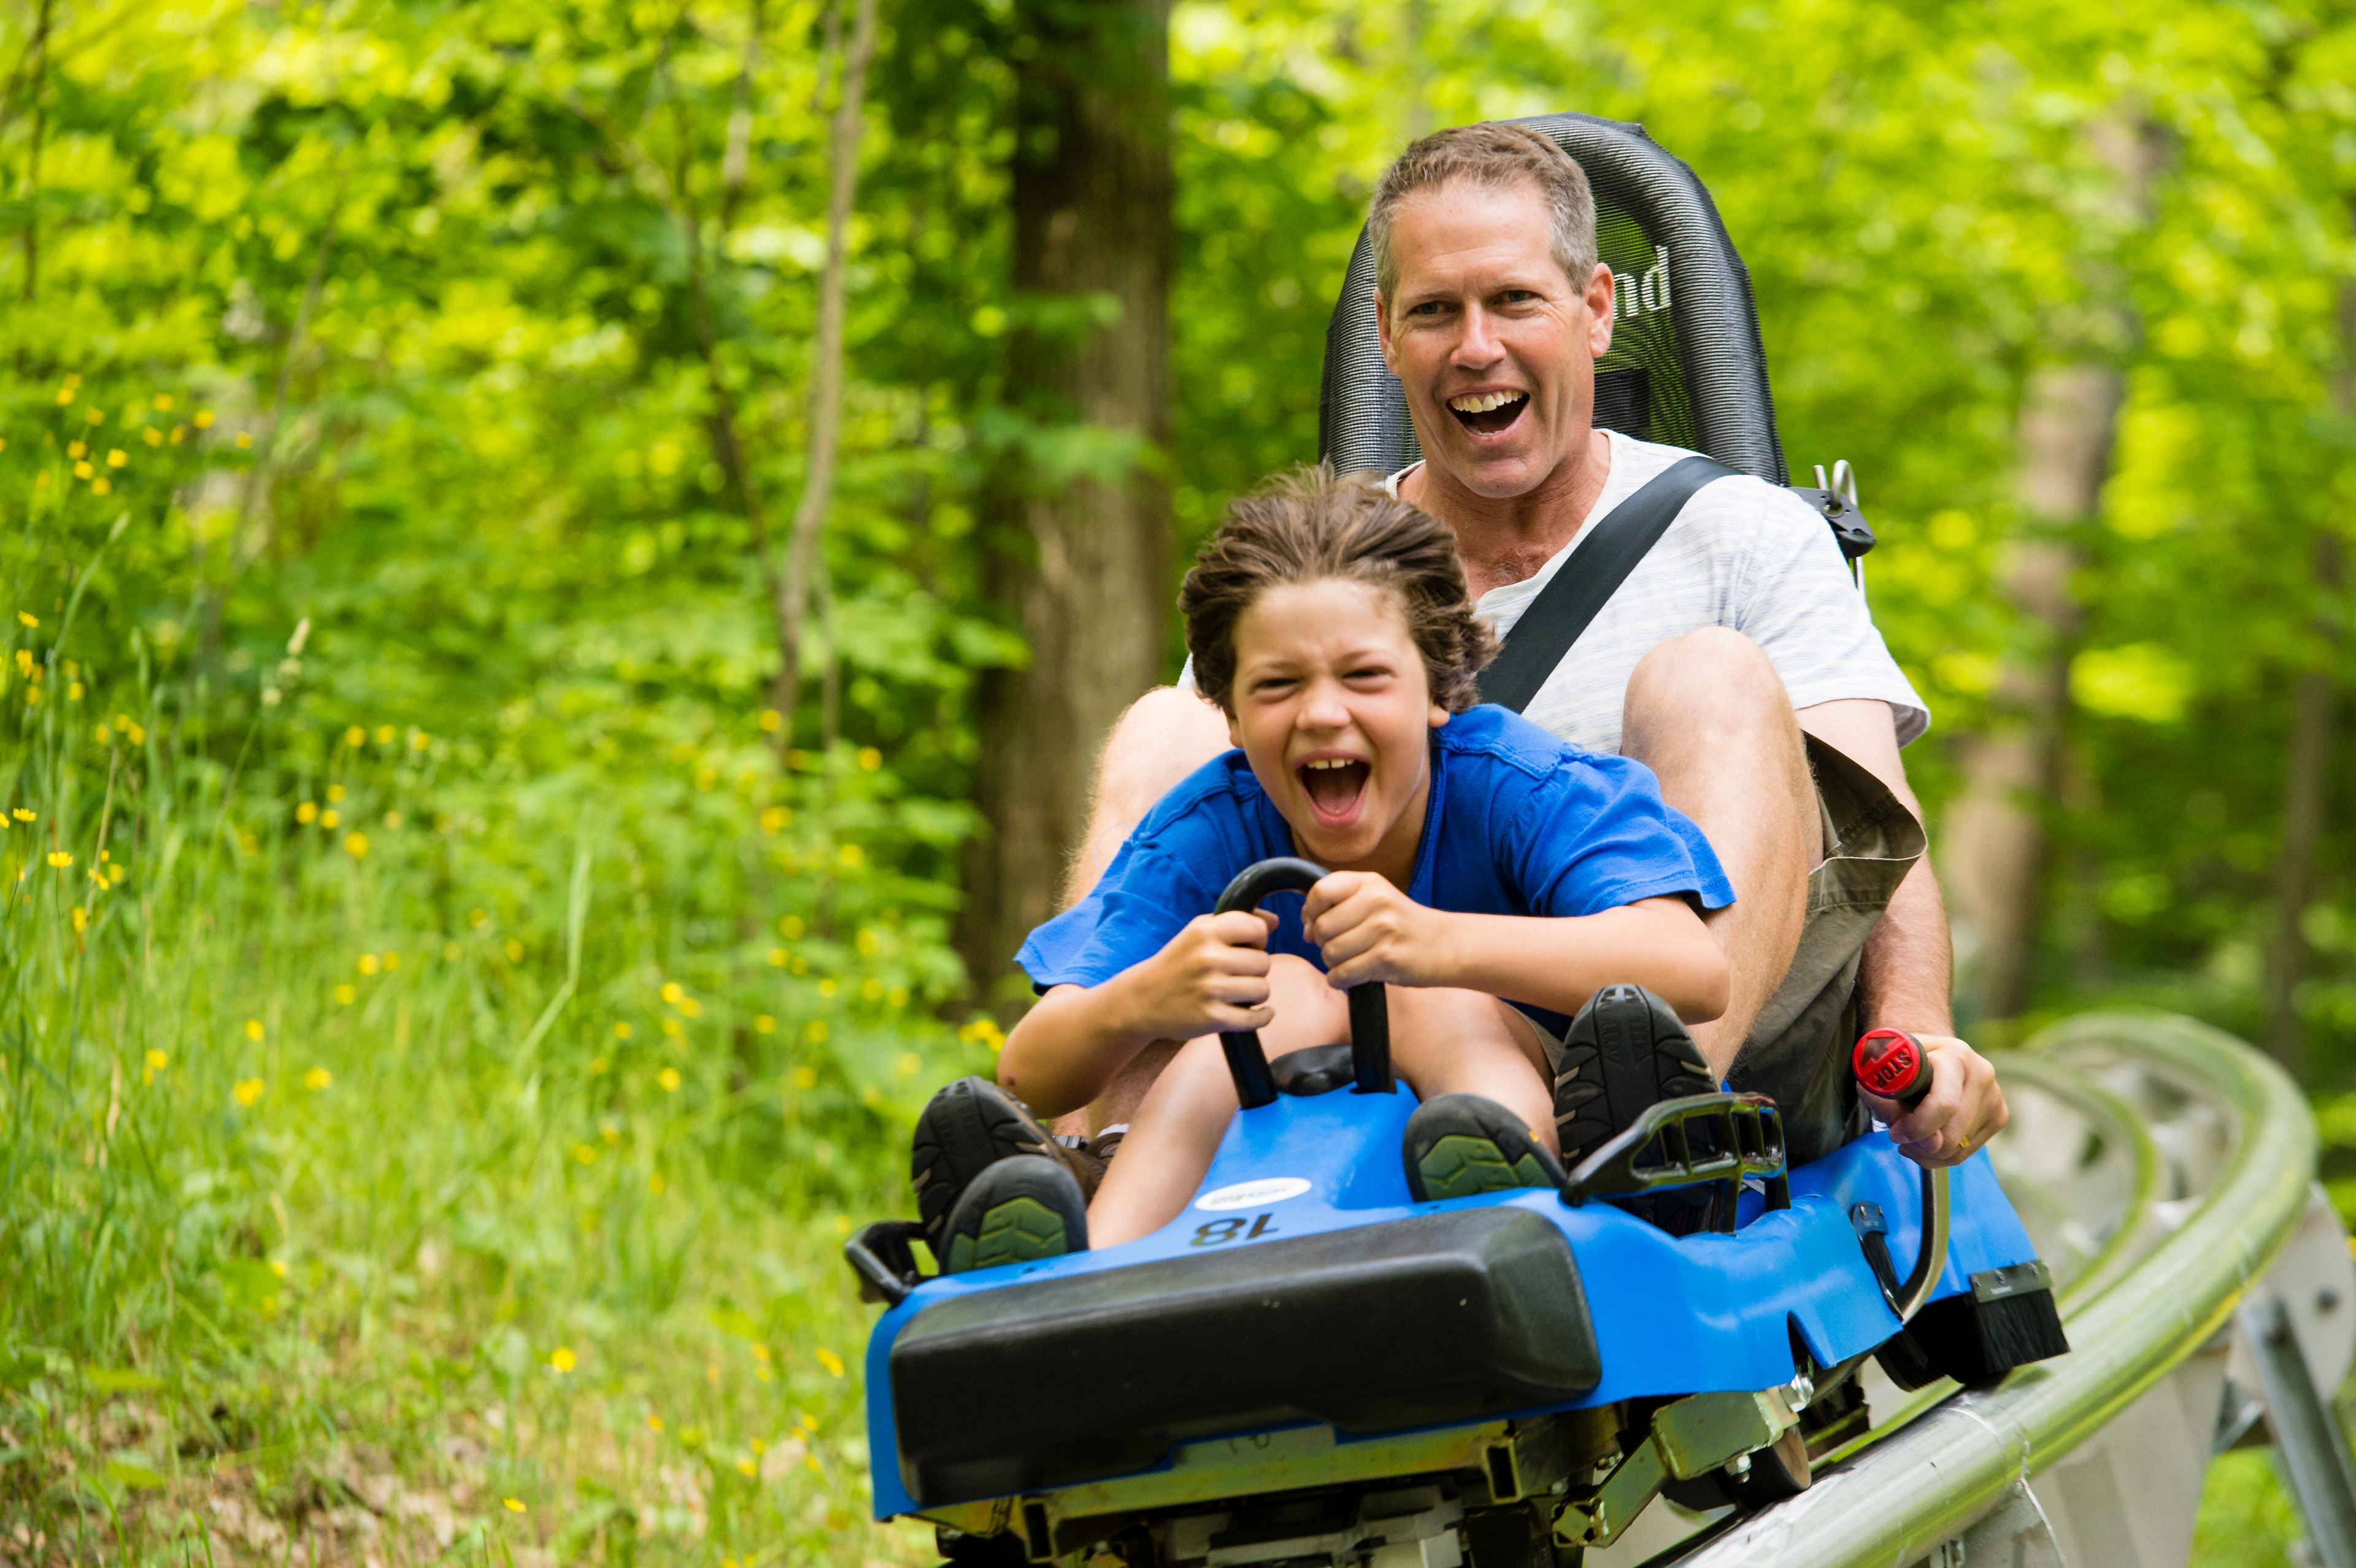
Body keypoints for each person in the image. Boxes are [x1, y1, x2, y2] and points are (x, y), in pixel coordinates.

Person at [1047, 121, 2006, 1185]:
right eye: (1433, 311)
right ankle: (1109, 1151)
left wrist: (1922, 1035)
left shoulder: (1744, 532)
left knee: (1710, 675)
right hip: (1368, 1020)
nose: (1475, 347)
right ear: (1385, 334)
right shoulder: (1324, 570)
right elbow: (1214, 803)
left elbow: (1877, 834)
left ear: (1596, 310)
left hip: (1690, 1015)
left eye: (1513, 301)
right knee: (1164, 725)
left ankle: (1651, 1129)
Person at [917, 467, 1734, 1271]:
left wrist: (1439, 944)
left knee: (1434, 1004)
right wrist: (1147, 998)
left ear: (1437, 688)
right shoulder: (1210, 828)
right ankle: (1097, 1268)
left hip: (1519, 1094)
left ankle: (1510, 1206)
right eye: (1278, 686)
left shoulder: (1516, 786)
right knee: (1276, 1000)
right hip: (1277, 1152)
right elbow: (1029, 1070)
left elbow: (1693, 971)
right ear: (1232, 715)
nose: (1321, 713)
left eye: (1365, 676)